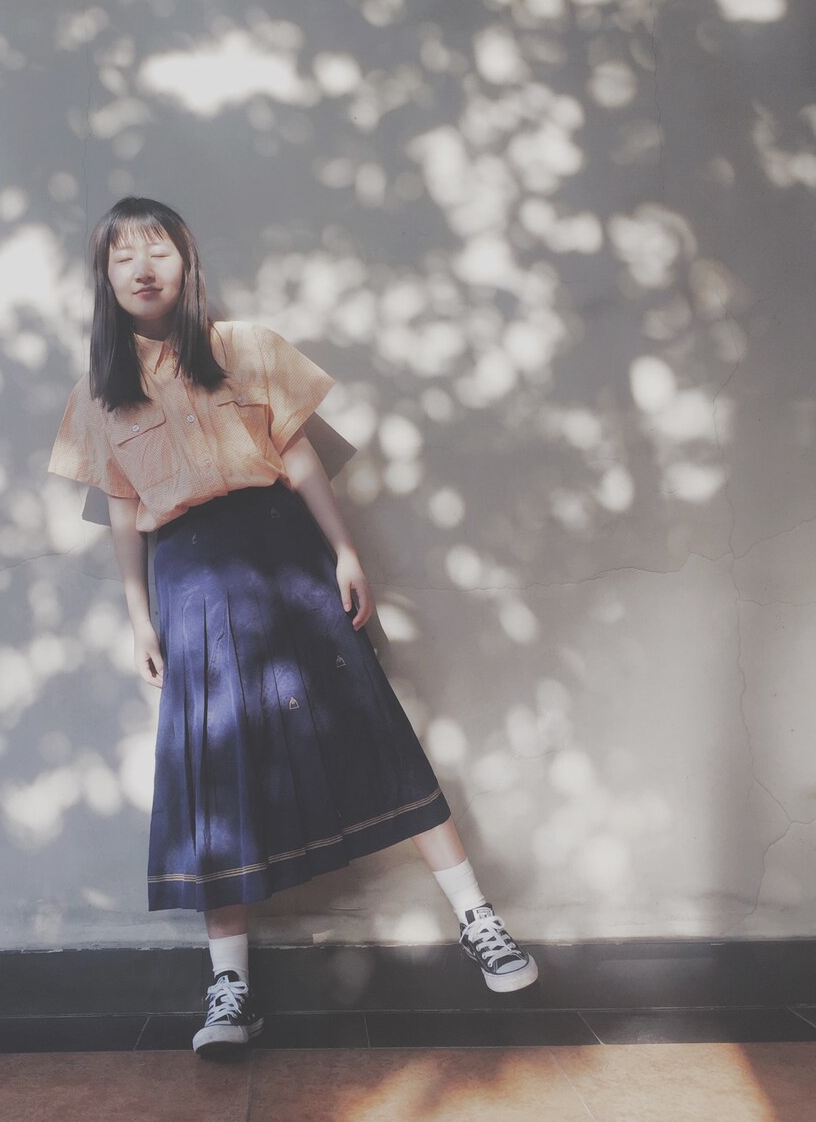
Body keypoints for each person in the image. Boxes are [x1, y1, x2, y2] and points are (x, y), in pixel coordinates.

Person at [48, 196, 538, 1058]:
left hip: (285, 556)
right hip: (190, 579)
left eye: (158, 249)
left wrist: (345, 551)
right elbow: (125, 515)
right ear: (105, 277)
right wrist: (140, 620)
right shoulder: (97, 395)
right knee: (212, 771)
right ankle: (229, 988)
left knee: (372, 728)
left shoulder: (249, 347)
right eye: (123, 256)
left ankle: (478, 919)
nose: (143, 268)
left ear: (186, 261)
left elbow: (301, 454)